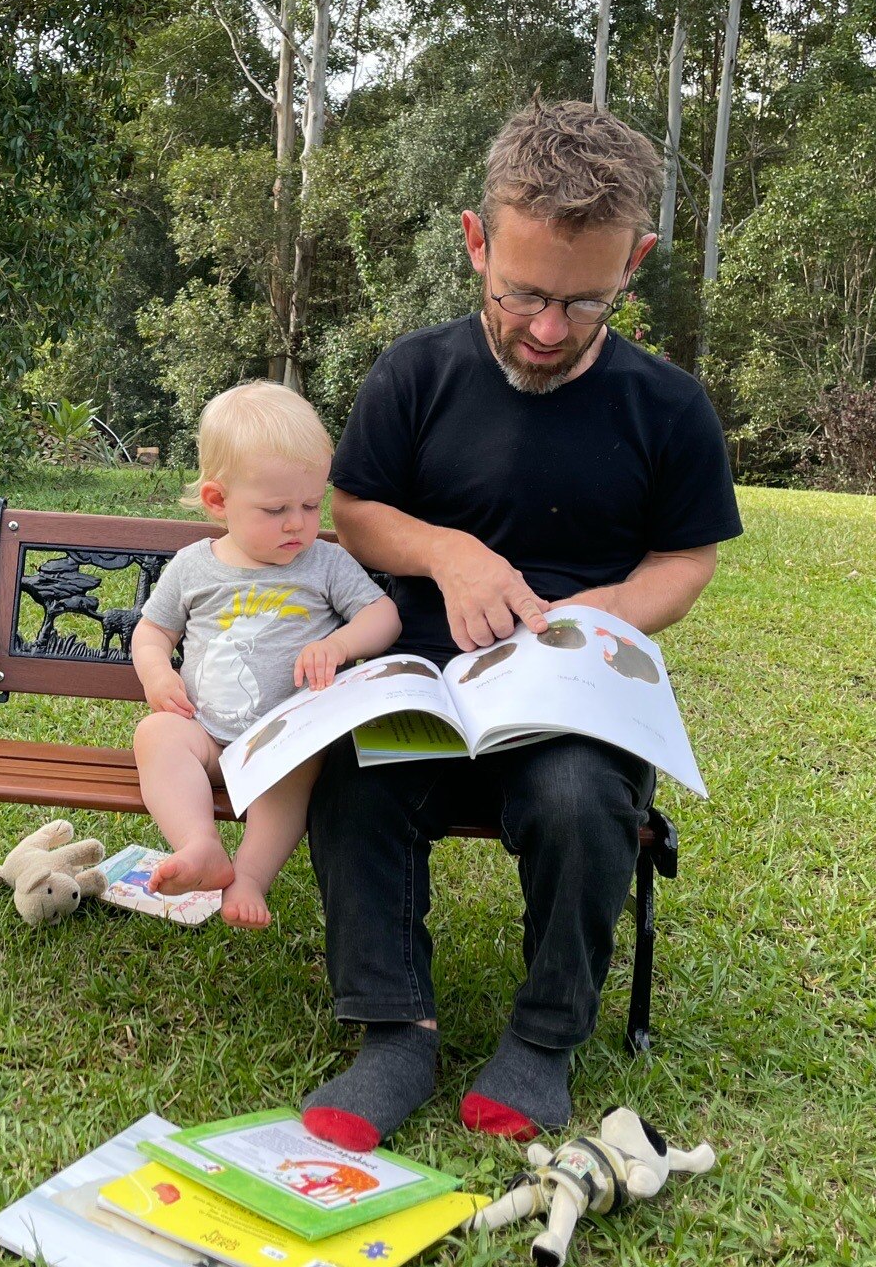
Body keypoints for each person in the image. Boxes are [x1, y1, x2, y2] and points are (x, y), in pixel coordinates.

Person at [298, 98, 743, 1151]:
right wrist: (447, 551)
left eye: (583, 304)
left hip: (571, 706)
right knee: (355, 780)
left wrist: (603, 614)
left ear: (633, 262)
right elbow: (355, 511)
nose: (547, 330)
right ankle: (393, 1031)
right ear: (475, 241)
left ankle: (543, 1040)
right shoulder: (417, 372)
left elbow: (687, 559)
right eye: (524, 293)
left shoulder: (669, 409)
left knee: (585, 801)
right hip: (420, 683)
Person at [131, 381, 403, 929]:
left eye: (310, 503)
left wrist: (338, 643)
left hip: (286, 737)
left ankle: (251, 875)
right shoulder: (193, 566)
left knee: (299, 773)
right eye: (276, 508)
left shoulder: (323, 563)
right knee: (155, 736)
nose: (299, 523)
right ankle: (199, 843)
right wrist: (157, 672)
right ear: (217, 500)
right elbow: (151, 632)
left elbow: (384, 616)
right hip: (204, 731)